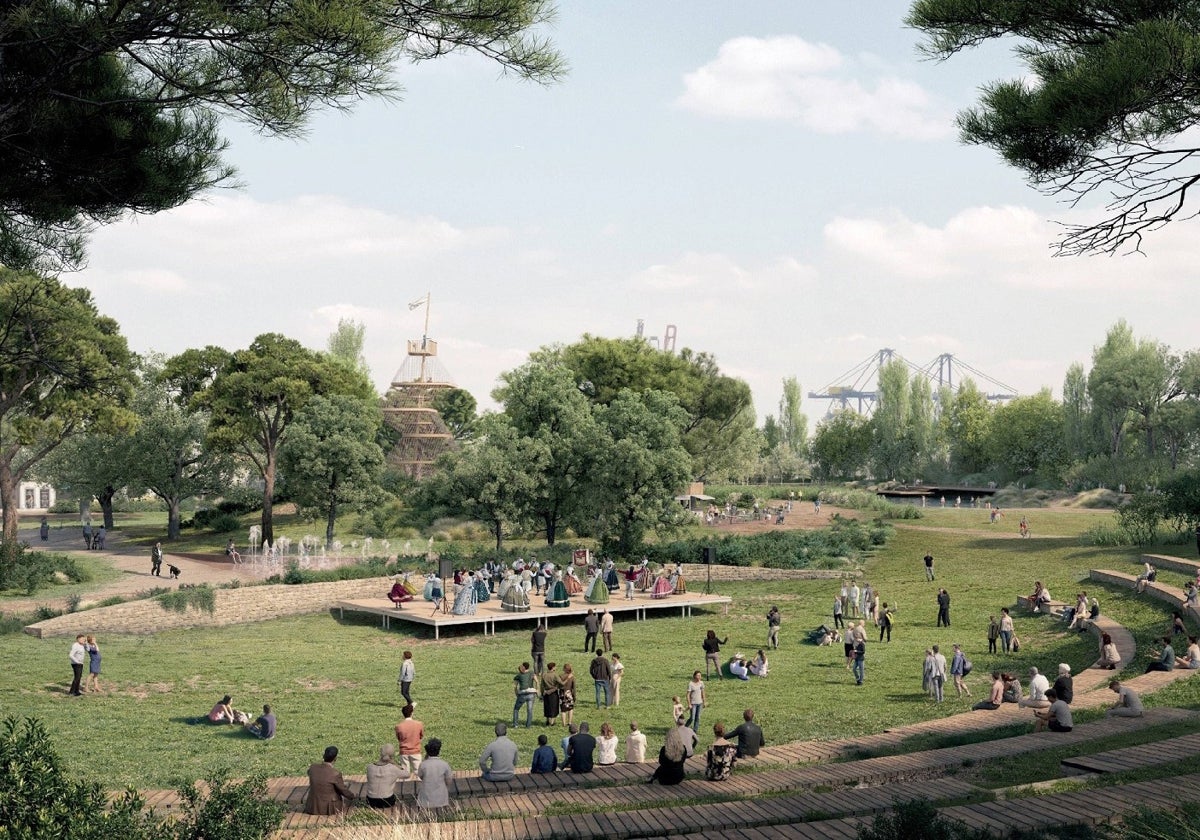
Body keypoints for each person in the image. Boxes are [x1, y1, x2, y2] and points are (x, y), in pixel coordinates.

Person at [305, 746, 354, 815]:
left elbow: (311, 773)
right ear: (335, 758)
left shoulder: (313, 768)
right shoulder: (335, 773)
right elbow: (343, 790)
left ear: (324, 755)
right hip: (330, 808)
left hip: (313, 807)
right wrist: (352, 796)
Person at [364, 744, 408, 808]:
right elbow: (407, 774)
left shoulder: (369, 767)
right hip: (387, 801)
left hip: (370, 801)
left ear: (380, 753)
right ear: (392, 755)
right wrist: (396, 764)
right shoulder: (393, 768)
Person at [415, 738, 453, 809]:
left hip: (426, 795)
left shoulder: (423, 764)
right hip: (441, 795)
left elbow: (420, 776)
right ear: (439, 751)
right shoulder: (444, 764)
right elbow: (449, 780)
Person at [395, 703, 424, 776]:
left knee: (405, 774)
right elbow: (421, 736)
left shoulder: (399, 726)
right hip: (416, 751)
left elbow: (399, 738)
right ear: (412, 713)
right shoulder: (419, 724)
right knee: (418, 774)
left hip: (404, 752)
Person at [513, 662, 537, 727]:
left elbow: (515, 686)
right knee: (529, 710)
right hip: (531, 693)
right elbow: (537, 681)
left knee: (516, 709)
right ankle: (528, 725)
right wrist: (537, 690)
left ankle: (515, 724)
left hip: (522, 694)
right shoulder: (532, 673)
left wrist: (516, 693)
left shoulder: (519, 675)